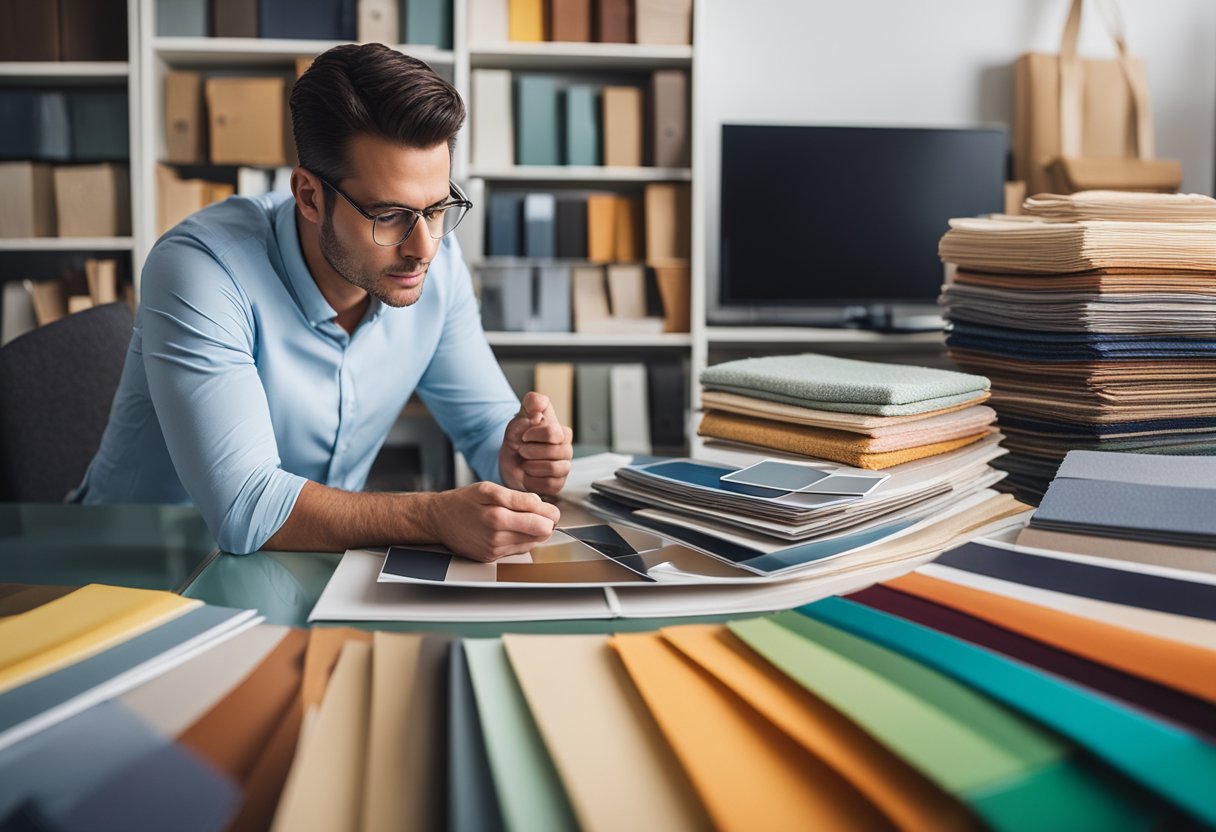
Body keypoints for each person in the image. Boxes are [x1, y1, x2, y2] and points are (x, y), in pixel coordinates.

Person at [72, 43, 573, 558]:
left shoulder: (434, 265)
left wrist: (517, 456)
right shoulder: (200, 269)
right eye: (389, 215)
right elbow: (246, 506)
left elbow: (484, 426)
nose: (424, 248)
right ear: (310, 196)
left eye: (438, 208)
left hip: (307, 565)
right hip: (134, 567)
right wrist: (431, 516)